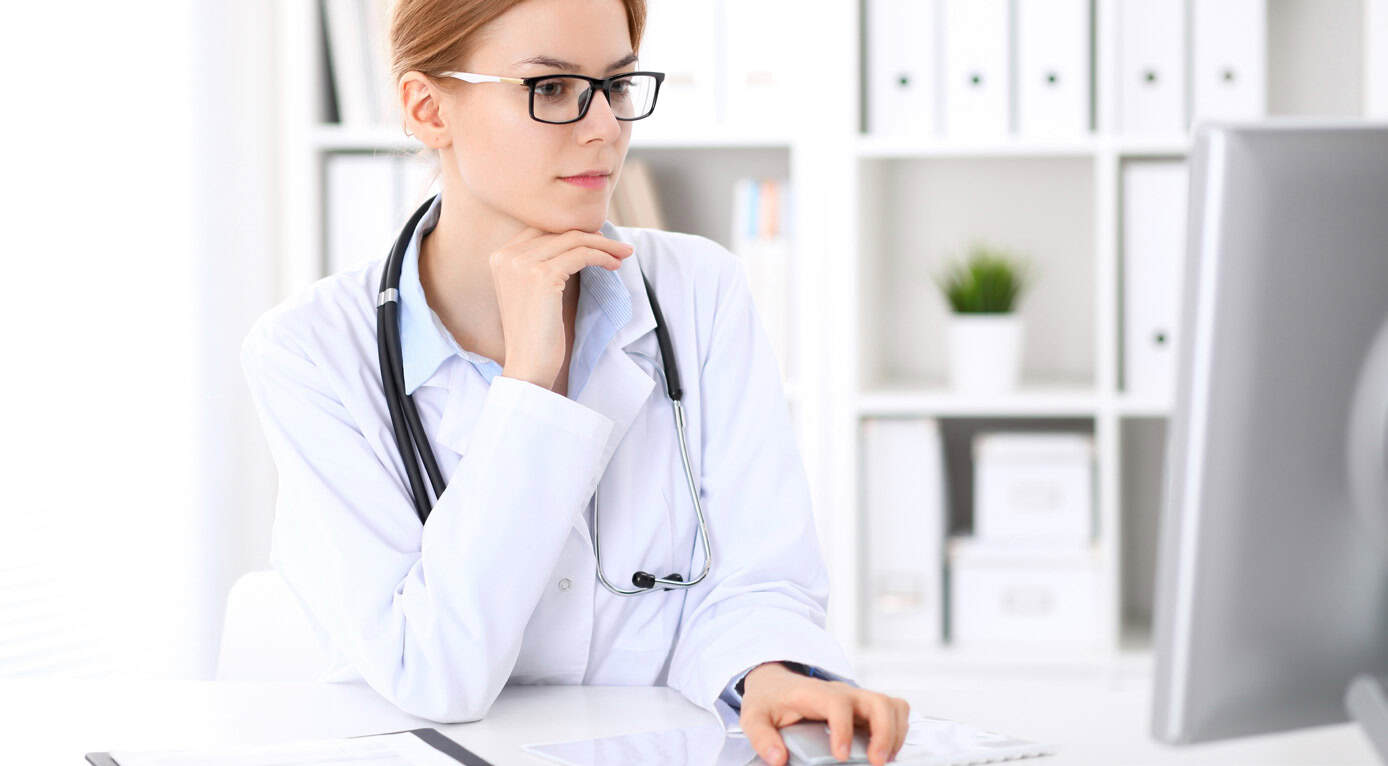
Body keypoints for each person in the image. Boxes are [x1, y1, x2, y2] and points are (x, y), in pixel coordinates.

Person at [240, 0, 910, 763]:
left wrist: (770, 672)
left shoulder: (699, 290)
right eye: (552, 88)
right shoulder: (311, 352)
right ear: (428, 109)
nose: (605, 128)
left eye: (616, 85)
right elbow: (430, 674)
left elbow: (758, 580)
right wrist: (530, 387)